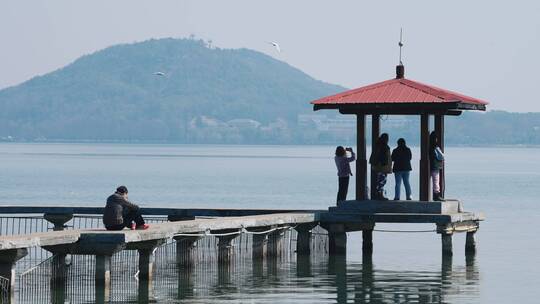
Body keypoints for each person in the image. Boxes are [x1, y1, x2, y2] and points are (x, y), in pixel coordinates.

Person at [369, 133, 392, 200]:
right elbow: (384, 157)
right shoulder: (383, 146)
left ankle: (378, 194)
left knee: (380, 180)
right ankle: (380, 195)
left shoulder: (377, 145)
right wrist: (386, 165)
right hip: (382, 166)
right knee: (382, 181)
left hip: (378, 166)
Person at [429, 132, 445, 201]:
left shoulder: (428, 146)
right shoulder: (436, 147)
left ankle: (430, 195)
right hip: (435, 166)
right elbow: (442, 157)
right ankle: (436, 196)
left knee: (429, 181)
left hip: (428, 166)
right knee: (436, 181)